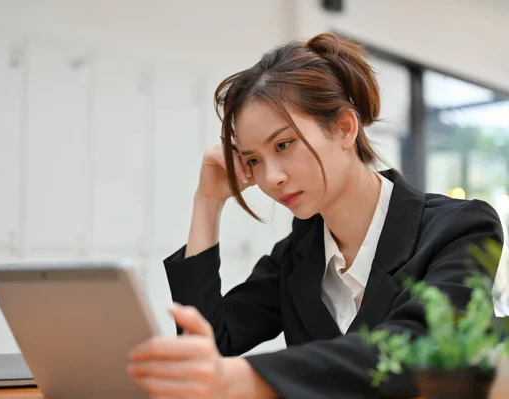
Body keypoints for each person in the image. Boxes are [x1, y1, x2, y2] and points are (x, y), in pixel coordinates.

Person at [126, 32, 504, 398]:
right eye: (254, 160)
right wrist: (208, 202)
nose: (271, 177)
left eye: (284, 144)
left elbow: (418, 347)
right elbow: (209, 346)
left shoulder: (461, 229)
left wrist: (249, 379)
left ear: (344, 127)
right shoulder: (297, 256)